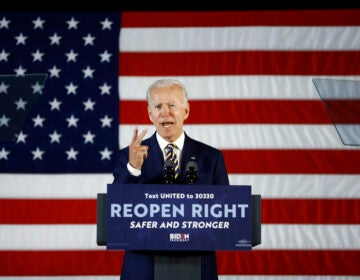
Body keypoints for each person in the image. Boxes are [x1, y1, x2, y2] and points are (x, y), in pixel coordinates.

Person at [112, 78, 230, 280]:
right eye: (158, 106)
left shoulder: (211, 157)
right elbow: (116, 210)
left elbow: (226, 212)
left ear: (186, 110)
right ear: (150, 114)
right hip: (143, 265)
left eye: (172, 105)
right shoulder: (129, 157)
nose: (165, 112)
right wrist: (133, 168)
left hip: (196, 262)